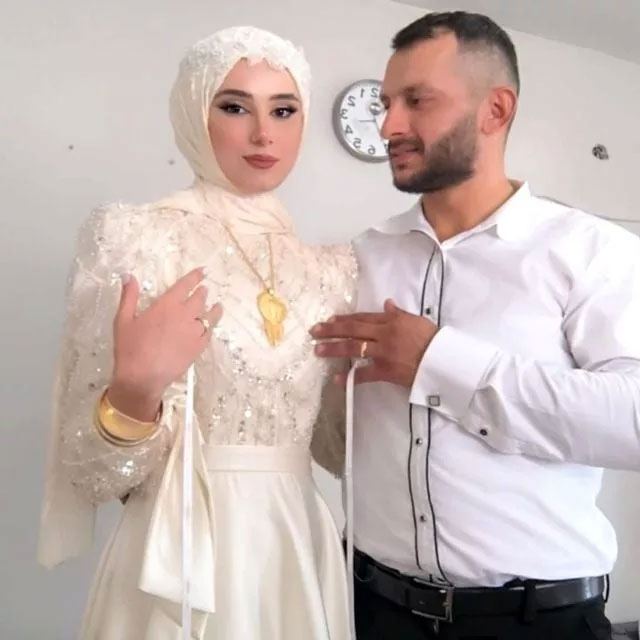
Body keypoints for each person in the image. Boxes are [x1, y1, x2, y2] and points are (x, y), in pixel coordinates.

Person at [312, 11, 640, 640]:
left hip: (538, 622)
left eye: (416, 101)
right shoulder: (359, 258)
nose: (389, 126)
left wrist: (439, 362)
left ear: (495, 110)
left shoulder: (592, 252)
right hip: (372, 609)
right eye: (385, 104)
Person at [38, 26, 356, 640]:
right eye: (234, 107)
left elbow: (336, 452)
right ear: (192, 111)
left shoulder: (334, 269)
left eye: (284, 111)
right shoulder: (136, 238)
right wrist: (135, 393)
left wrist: (367, 391)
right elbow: (94, 474)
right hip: (178, 548)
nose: (263, 134)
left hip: (293, 543)